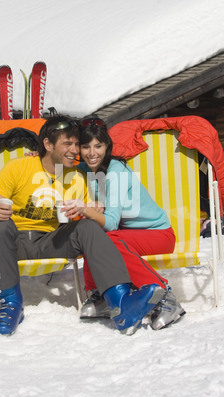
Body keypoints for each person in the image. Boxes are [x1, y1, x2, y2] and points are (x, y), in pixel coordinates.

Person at [0, 115, 166, 336]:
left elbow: (86, 216)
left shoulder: (77, 177)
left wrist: (91, 209)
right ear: (47, 144)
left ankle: (121, 302)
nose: (75, 150)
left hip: (49, 241)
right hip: (13, 241)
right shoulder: (17, 167)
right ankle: (10, 304)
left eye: (77, 144)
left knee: (90, 227)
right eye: (68, 143)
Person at [63, 117, 185, 330]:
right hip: (129, 236)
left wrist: (85, 209)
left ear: (107, 146)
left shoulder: (115, 171)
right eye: (86, 146)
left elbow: (110, 224)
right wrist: (40, 157)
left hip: (157, 234)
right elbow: (56, 167)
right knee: (90, 235)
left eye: (98, 146)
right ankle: (99, 295)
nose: (92, 153)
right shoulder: (84, 170)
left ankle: (165, 296)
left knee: (106, 239)